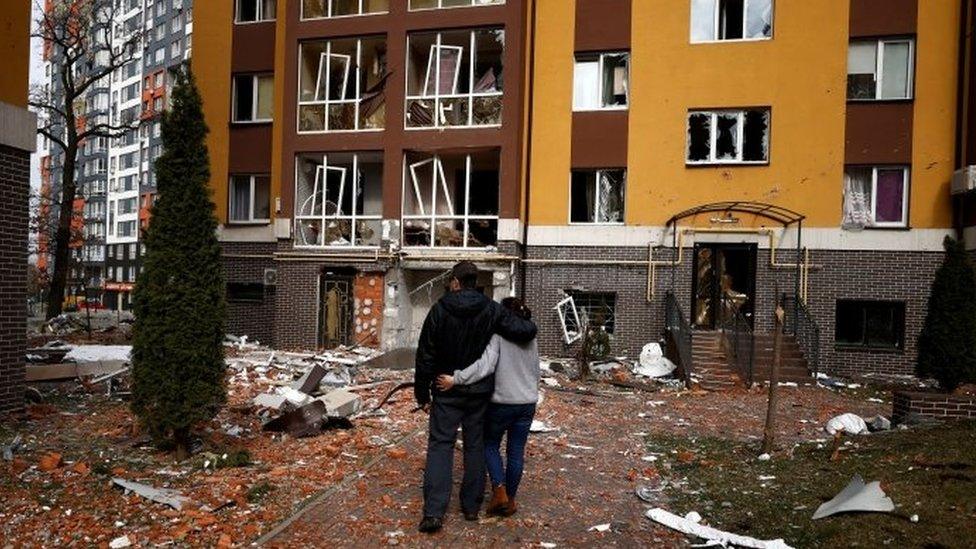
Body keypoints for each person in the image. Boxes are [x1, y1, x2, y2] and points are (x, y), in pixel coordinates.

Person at [414, 262, 537, 534]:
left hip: (446, 390)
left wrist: (422, 394)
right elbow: (526, 331)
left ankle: (434, 513)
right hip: (480, 393)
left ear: (456, 282)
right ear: (474, 281)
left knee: (440, 446)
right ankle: (471, 507)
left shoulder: (439, 309)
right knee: (475, 447)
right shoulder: (491, 309)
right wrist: (528, 324)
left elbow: (425, 354)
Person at [435, 297, 540, 518]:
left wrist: (457, 378)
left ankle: (499, 490)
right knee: (516, 452)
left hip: (502, 403)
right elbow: (536, 371)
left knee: (489, 444)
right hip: (527, 403)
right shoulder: (531, 339)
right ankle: (510, 501)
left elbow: (484, 366)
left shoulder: (498, 337)